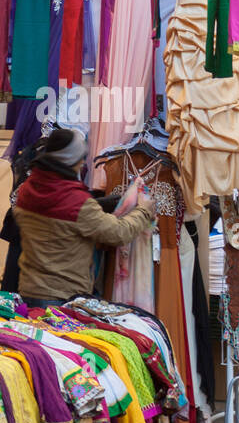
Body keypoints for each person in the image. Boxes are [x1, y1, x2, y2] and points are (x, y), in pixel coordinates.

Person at [12, 128, 155, 305]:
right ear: (71, 161)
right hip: (63, 298)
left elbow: (55, 219)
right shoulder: (77, 202)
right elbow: (119, 232)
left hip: (28, 291)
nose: (82, 164)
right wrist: (144, 210)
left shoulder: (27, 190)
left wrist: (100, 204)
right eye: (80, 159)